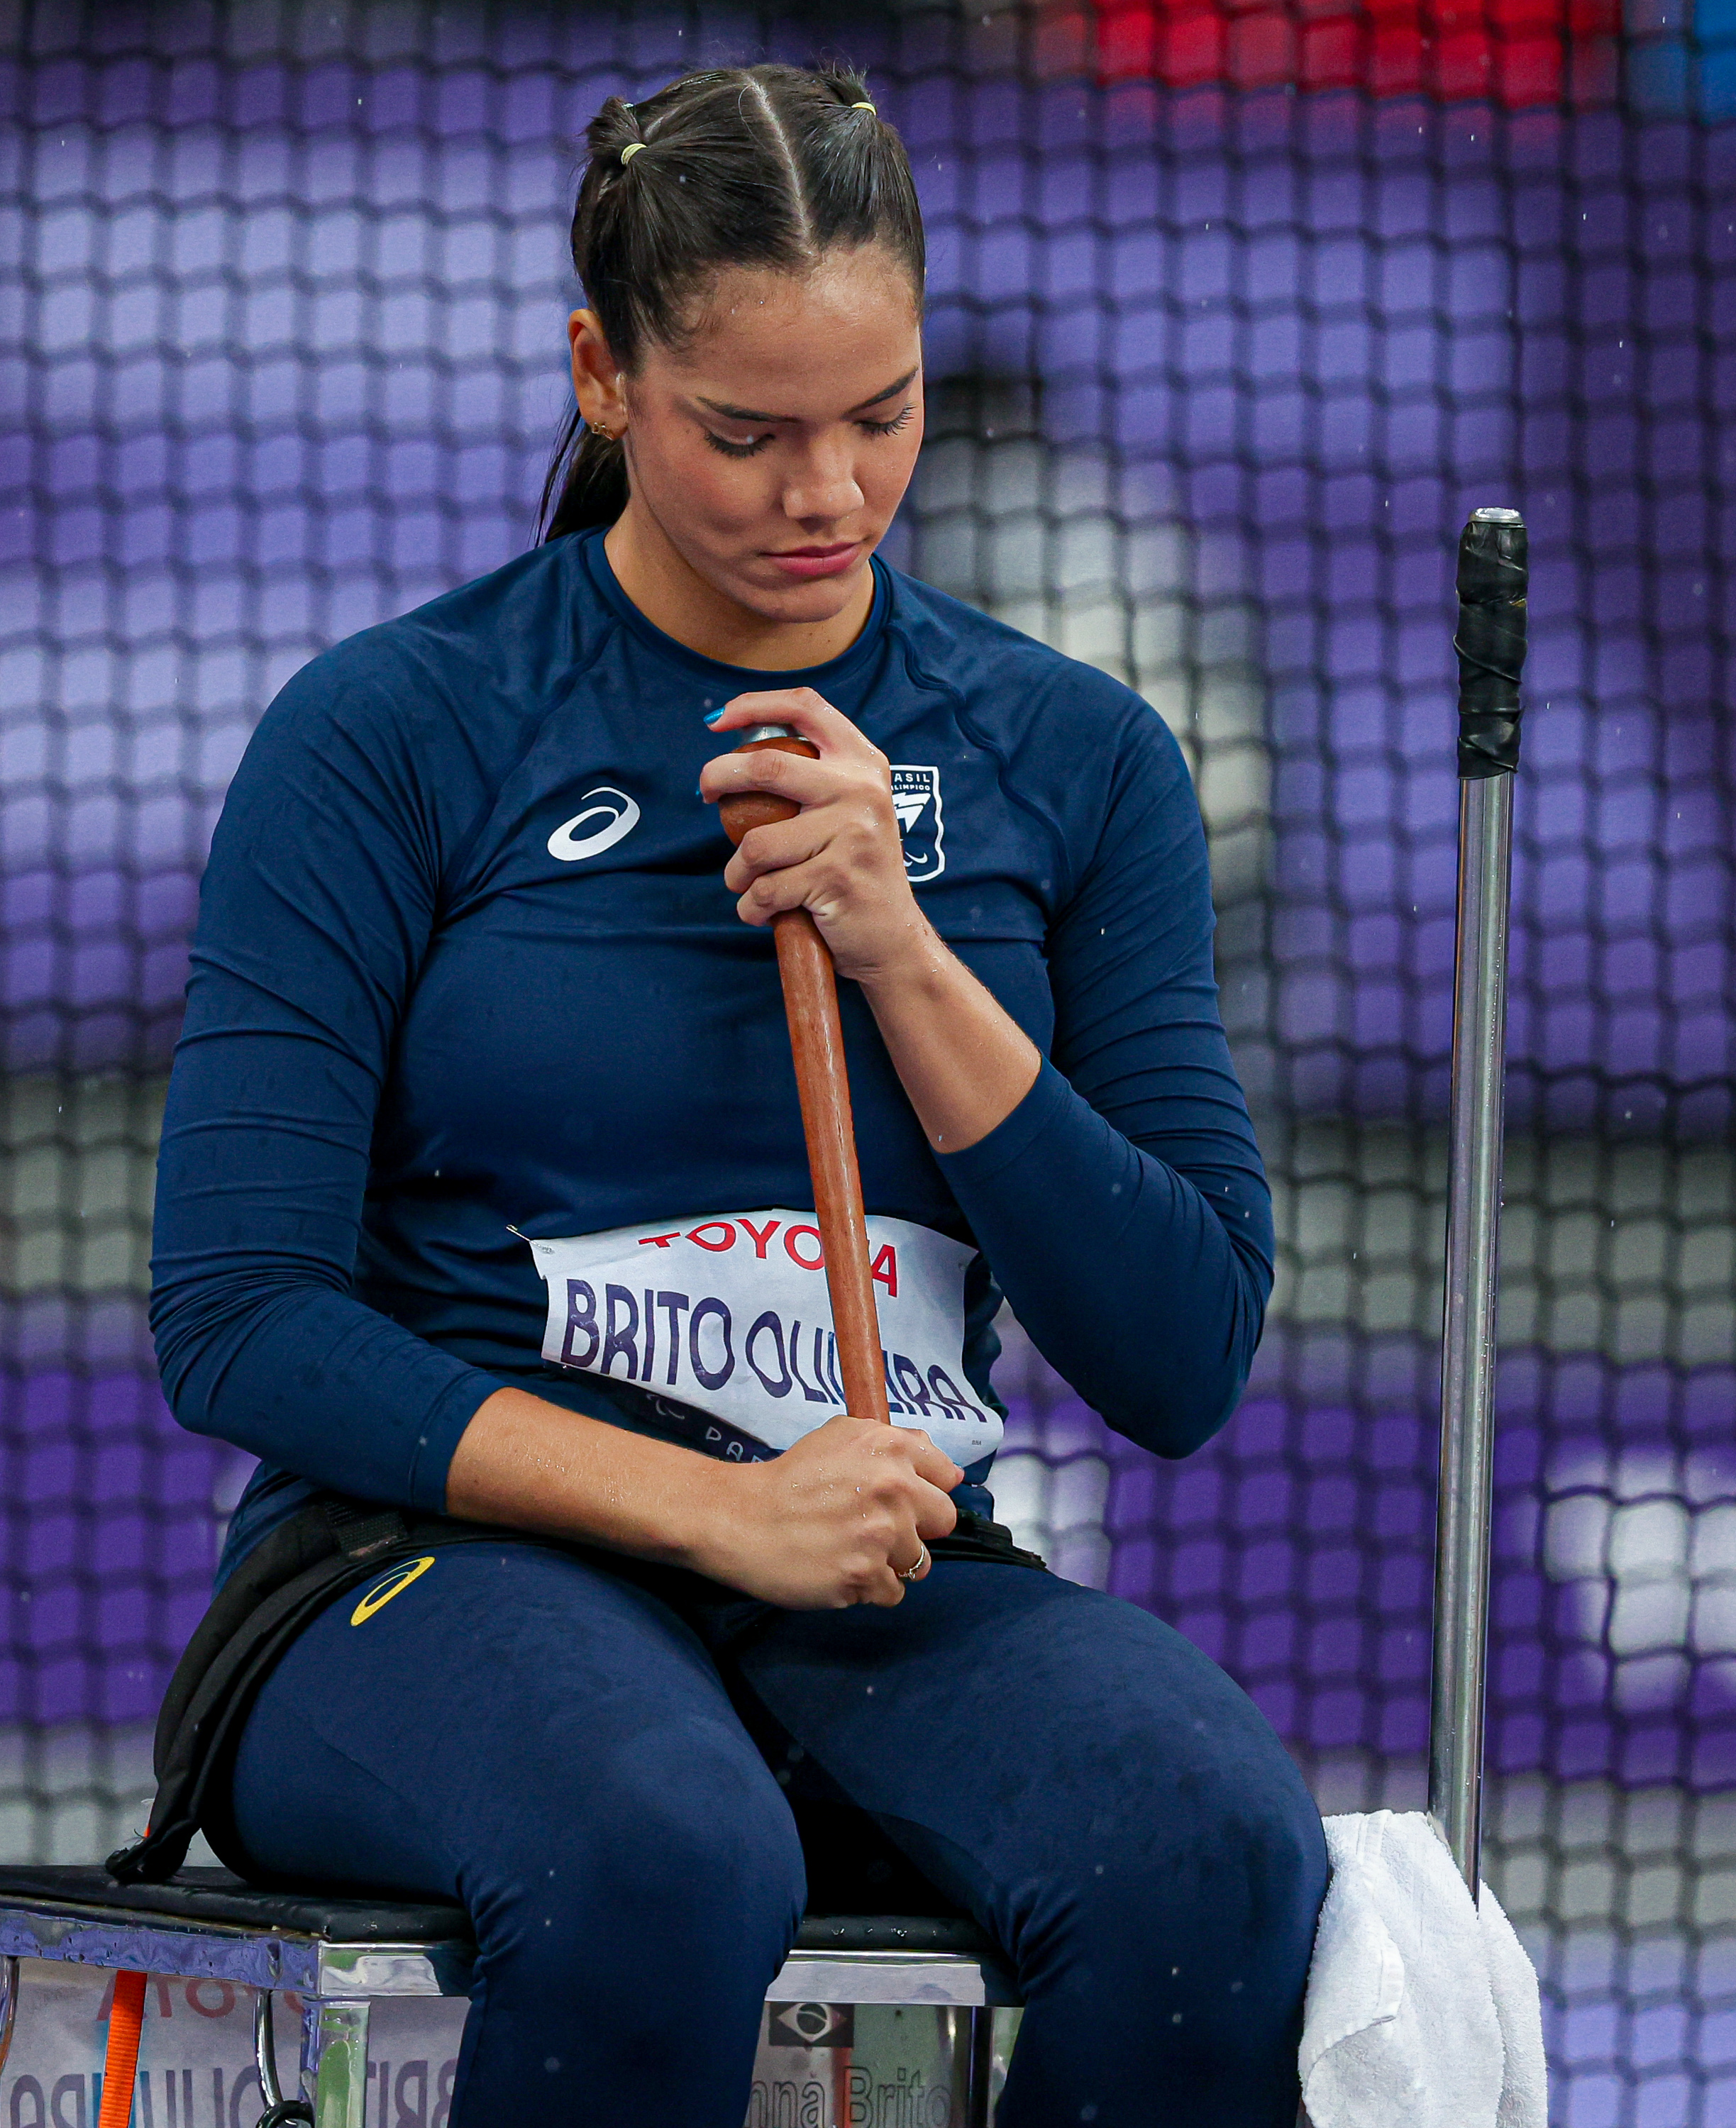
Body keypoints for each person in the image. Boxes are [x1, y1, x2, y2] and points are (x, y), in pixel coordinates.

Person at [145, 60, 1325, 2127]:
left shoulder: (1075, 757)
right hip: (419, 1572)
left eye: (880, 417)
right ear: (603, 377)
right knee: (662, 1853)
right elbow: (237, 1315)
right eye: (746, 431)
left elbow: (1181, 1350)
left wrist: (905, 953)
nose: (826, 496)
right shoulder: (392, 730)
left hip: (883, 1564)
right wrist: (716, 1510)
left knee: (1208, 1858)